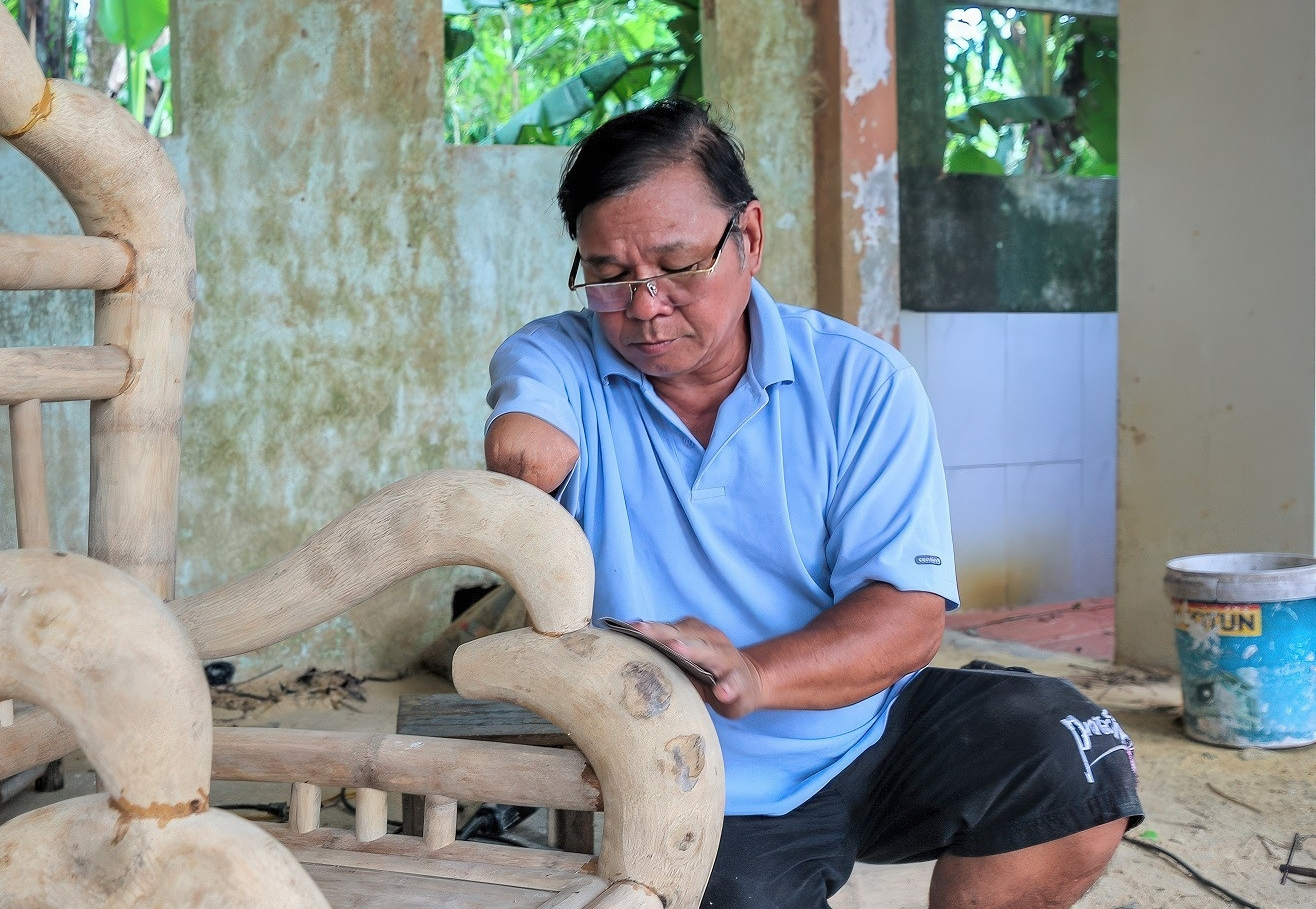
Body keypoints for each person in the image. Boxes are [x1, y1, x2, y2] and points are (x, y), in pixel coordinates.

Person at [483, 99, 1140, 908]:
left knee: (1076, 756)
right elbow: (526, 440)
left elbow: (908, 615)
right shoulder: (562, 358)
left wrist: (755, 671)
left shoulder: (862, 382)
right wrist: (523, 452)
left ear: (748, 237)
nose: (646, 307)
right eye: (611, 276)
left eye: (677, 264)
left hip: (868, 729)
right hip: (700, 778)